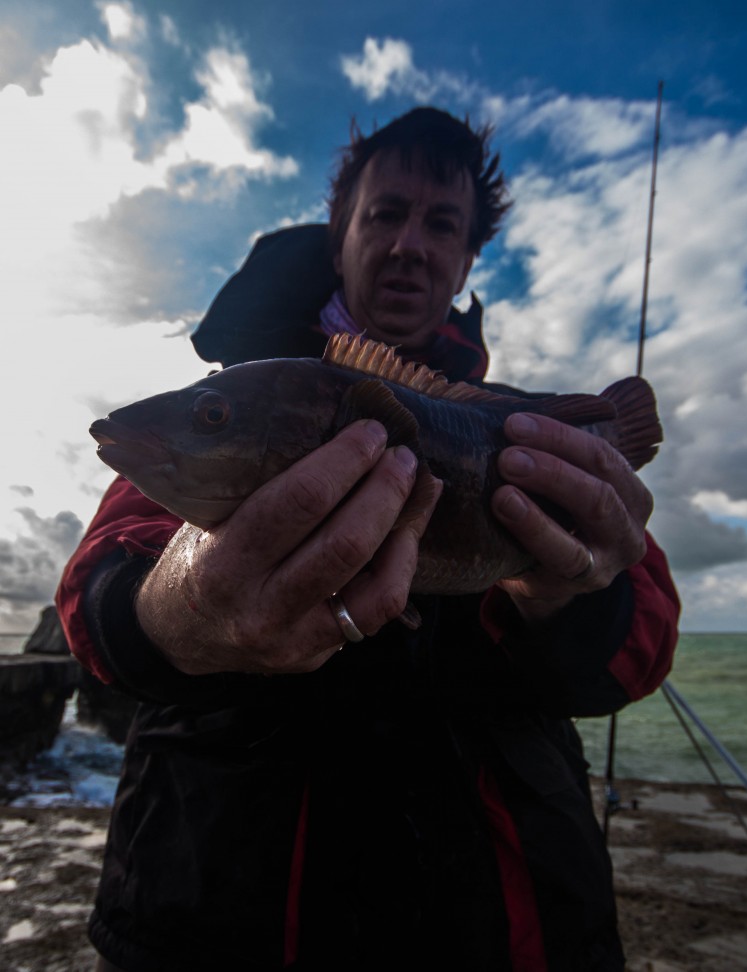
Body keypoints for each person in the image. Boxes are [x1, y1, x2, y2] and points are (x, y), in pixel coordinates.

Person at [57, 107, 681, 972]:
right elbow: (99, 596)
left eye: (442, 224)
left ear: (466, 260)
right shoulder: (243, 399)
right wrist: (180, 608)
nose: (411, 244)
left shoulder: (529, 435)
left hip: (503, 931)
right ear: (339, 231)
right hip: (221, 920)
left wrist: (575, 589)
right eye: (385, 213)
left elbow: (641, 652)